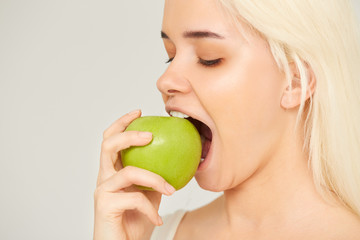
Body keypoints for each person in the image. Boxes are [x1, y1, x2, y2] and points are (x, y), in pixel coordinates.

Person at [93, 0, 360, 239]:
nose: (165, 81)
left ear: (294, 82)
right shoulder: (155, 233)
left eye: (209, 58)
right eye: (171, 56)